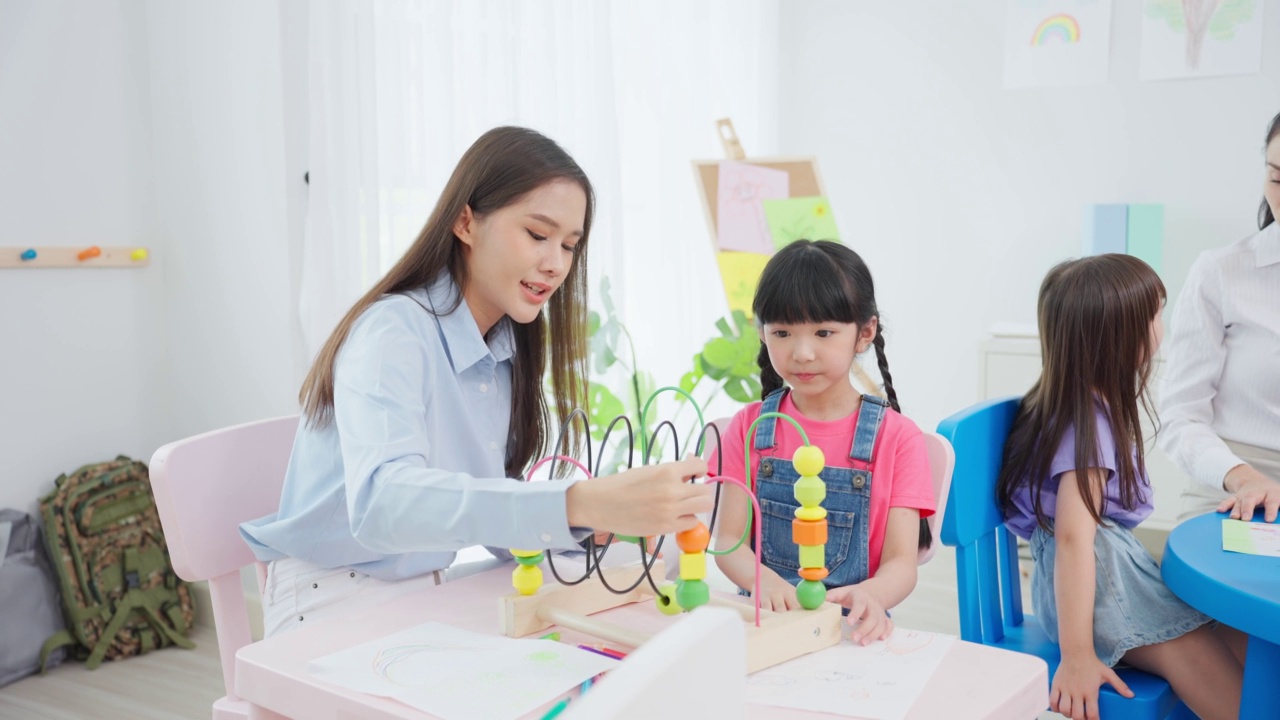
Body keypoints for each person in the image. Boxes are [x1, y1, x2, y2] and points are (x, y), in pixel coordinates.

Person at [240, 126, 712, 637]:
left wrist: (592, 524)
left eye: (569, 245)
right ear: (465, 222)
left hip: (425, 589)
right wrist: (577, 501)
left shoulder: (503, 346)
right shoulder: (391, 333)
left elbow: (484, 507)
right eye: (537, 234)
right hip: (328, 599)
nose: (555, 265)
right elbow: (383, 504)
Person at [997, 255, 1244, 720]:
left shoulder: (1083, 402)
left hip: (1106, 575)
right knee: (1205, 661)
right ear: (1120, 338)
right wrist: (1077, 655)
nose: (1161, 326)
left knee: (1237, 638)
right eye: (1154, 315)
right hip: (1097, 590)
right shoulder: (1086, 423)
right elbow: (1073, 540)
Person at [709, 240, 935, 645]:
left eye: (824, 332)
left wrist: (873, 595)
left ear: (865, 332)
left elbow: (902, 563)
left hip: (852, 631)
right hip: (764, 623)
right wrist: (765, 583)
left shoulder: (898, 438)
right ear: (763, 333)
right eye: (782, 332)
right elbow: (728, 541)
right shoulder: (747, 427)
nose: (802, 352)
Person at [1160, 110, 1280, 524]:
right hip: (1234, 484)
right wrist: (1242, 477)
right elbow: (1181, 415)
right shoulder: (1221, 272)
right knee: (1241, 588)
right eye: (1277, 178)